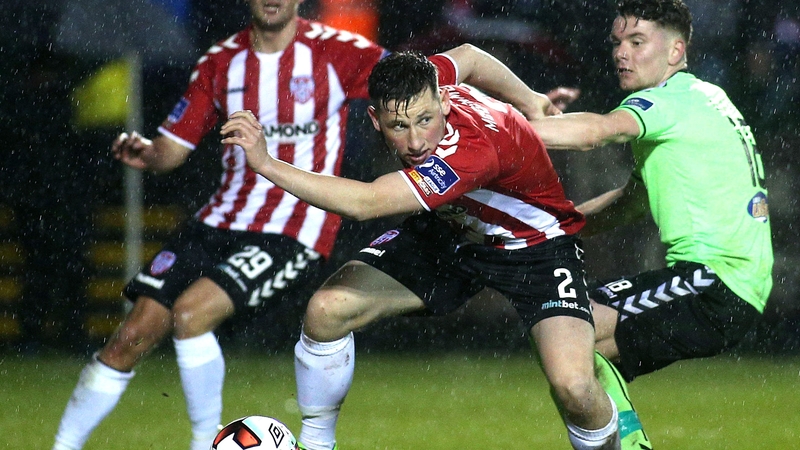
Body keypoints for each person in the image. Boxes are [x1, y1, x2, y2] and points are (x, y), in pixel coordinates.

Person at [222, 51, 621, 450]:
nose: (415, 142)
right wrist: (531, 98)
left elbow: (366, 203)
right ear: (376, 120)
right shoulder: (422, 80)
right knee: (327, 310)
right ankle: (315, 445)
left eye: (426, 121)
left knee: (574, 388)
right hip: (452, 231)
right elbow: (468, 56)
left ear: (444, 101)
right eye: (399, 126)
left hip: (536, 248)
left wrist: (267, 164)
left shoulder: (471, 150)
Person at [51, 1, 387, 449]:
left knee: (191, 314)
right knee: (130, 336)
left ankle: (201, 443)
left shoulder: (339, 52)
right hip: (219, 219)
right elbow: (173, 149)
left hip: (294, 225)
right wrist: (147, 153)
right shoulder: (220, 62)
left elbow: (415, 81)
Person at [529, 0, 773, 447]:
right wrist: (555, 228)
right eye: (617, 42)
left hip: (717, 281)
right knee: (576, 347)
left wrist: (495, 128)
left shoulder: (666, 102)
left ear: (676, 51)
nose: (622, 52)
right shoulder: (706, 98)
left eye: (637, 41)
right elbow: (630, 202)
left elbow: (596, 131)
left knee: (567, 325)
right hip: (726, 282)